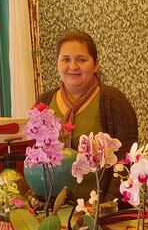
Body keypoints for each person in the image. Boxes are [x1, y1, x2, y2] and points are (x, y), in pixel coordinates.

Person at [35, 31, 138, 202]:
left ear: (96, 64)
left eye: (81, 60)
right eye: (66, 59)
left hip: (99, 208)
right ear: (57, 63)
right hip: (53, 208)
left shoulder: (112, 101)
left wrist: (108, 207)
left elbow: (126, 159)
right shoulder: (44, 103)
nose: (73, 66)